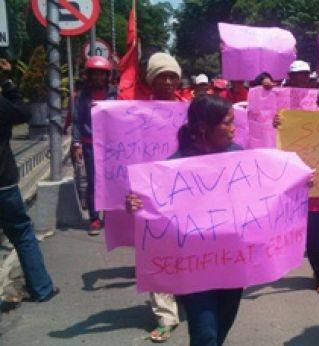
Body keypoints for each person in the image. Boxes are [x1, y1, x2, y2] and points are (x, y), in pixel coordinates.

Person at [126, 95, 243, 346]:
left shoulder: (240, 157)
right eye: (228, 122)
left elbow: (263, 193)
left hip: (232, 263)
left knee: (222, 325)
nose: (234, 128)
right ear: (203, 127)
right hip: (195, 267)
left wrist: (296, 185)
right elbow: (154, 208)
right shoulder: (175, 166)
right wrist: (136, 204)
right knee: (204, 334)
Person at [275, 84, 319, 295]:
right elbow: (291, 143)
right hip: (314, 193)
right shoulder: (305, 124)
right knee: (314, 238)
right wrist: (279, 125)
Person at [0, 57, 59, 303]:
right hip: (3, 184)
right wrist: (8, 82)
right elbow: (24, 112)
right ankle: (41, 288)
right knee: (23, 233)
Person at [140, 52, 186, 342]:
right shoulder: (135, 113)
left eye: (172, 76)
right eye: (161, 76)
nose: (167, 81)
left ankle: (188, 296)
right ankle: (166, 315)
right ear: (151, 80)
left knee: (185, 248)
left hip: (187, 192)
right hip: (152, 192)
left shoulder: (191, 110)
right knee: (156, 250)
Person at [71, 56, 119, 235]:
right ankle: (94, 218)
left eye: (101, 74)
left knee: (111, 180)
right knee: (93, 182)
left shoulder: (115, 93)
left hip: (112, 146)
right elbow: (77, 120)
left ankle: (110, 216)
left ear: (107, 76)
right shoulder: (82, 96)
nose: (98, 77)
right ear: (89, 76)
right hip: (90, 145)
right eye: (94, 74)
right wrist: (76, 143)